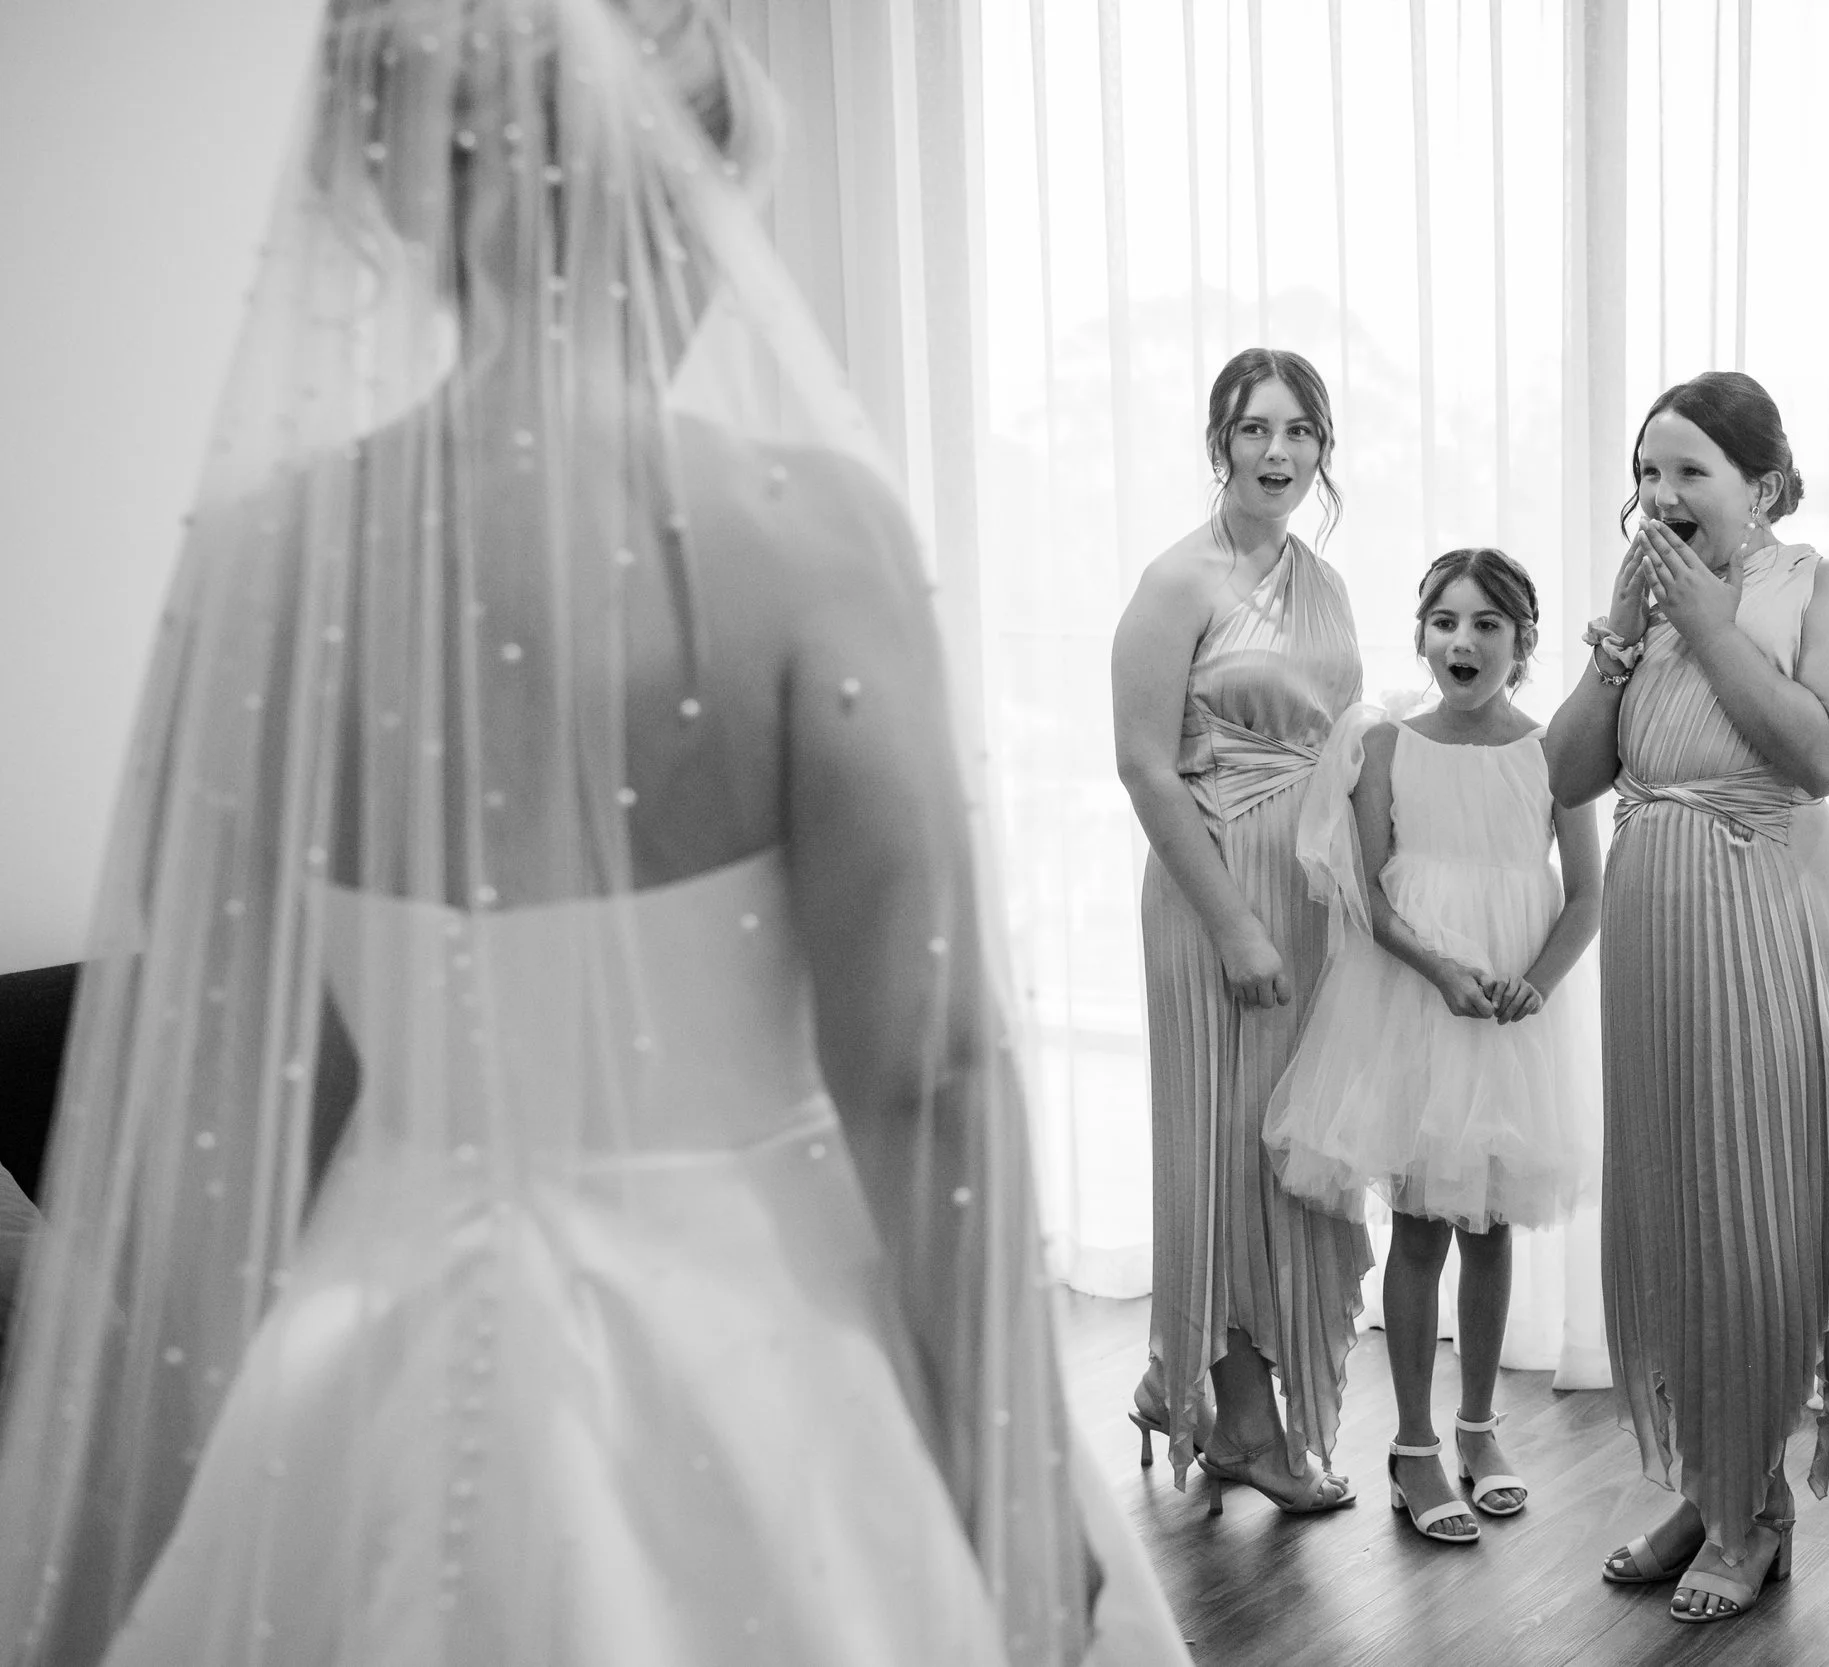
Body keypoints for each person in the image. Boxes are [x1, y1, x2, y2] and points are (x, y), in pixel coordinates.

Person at [0, 4, 1187, 1663]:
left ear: (403, 191)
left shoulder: (263, 566)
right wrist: (1005, 1478)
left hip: (373, 1356)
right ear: (687, 188)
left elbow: (254, 1091)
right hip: (765, 1353)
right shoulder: (810, 539)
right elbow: (925, 1078)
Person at [1546, 371, 1829, 1621]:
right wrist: (1626, 635)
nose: (1658, 494)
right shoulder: (1640, 604)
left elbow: (1820, 751)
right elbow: (1563, 772)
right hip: (1652, 938)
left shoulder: (1827, 591)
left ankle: (1753, 1508)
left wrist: (1710, 621)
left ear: (1766, 487)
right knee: (1675, 1215)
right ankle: (1708, 1482)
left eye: (1688, 470)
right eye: (1645, 471)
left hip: (1766, 927)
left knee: (1755, 1221)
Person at [1263, 547, 1601, 1546]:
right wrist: (1443, 970)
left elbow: (1585, 892)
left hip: (1507, 1015)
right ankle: (1412, 1445)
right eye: (1446, 621)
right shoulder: (1388, 746)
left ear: (1521, 643)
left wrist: (1530, 983)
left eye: (1488, 623)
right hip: (1417, 1008)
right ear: (1421, 634)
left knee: (1490, 1224)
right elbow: (1367, 894)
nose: (1464, 640)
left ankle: (1479, 1425)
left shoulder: (1554, 754)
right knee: (1419, 1228)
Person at [1110, 348, 1373, 1515]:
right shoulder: (1179, 581)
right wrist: (1233, 927)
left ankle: (1219, 1397)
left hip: (1308, 892)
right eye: (1254, 429)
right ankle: (1247, 1424)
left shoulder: (1322, 581)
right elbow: (1141, 766)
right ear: (1216, 441)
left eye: (1299, 431)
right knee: (1223, 1146)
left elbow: (1345, 739)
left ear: (1323, 447)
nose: (1278, 453)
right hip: (1213, 887)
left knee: (1292, 1150)